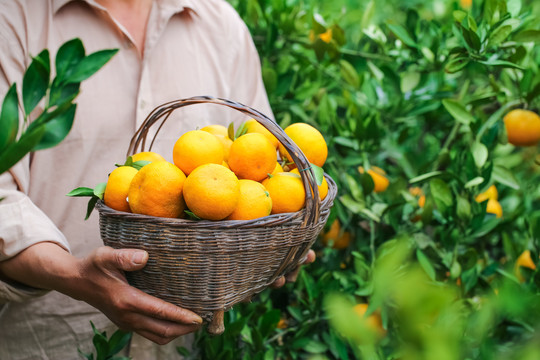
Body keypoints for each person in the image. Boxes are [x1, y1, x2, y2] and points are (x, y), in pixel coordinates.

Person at [0, 0, 315, 359]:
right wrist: (74, 277)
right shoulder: (14, 19)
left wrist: (268, 252)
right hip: (50, 339)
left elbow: (265, 164)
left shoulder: (220, 24)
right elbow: (1, 200)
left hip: (193, 347)